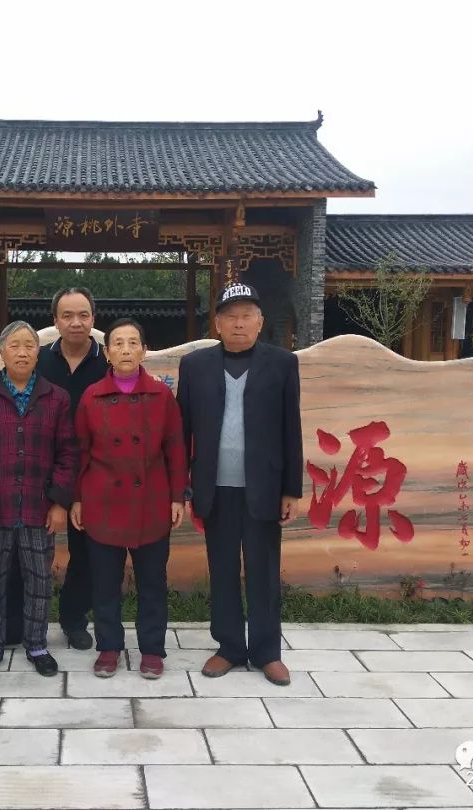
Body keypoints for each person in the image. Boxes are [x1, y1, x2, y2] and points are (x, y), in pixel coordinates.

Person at [0, 287, 107, 654]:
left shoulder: (108, 361)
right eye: (67, 315)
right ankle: (9, 629)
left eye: (83, 315)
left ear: (93, 318)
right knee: (13, 559)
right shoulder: (40, 360)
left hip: (91, 471)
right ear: (55, 320)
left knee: (84, 553)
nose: (75, 322)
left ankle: (74, 621)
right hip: (34, 481)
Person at [176, 282, 303, 686]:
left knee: (265, 570)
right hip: (215, 488)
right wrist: (182, 487)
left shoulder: (282, 364)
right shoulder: (194, 366)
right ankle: (230, 646)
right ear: (216, 323)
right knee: (224, 569)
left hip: (263, 488)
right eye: (230, 316)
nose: (238, 323)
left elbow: (291, 430)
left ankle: (267, 651)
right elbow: (181, 433)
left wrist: (291, 489)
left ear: (260, 322)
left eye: (247, 315)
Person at [0, 320, 78, 677]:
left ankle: (36, 644)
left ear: (38, 353)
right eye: (15, 346)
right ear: (2, 352)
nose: (22, 352)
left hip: (40, 511)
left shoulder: (56, 399)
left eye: (29, 346)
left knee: (39, 581)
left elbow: (68, 455)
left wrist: (58, 503)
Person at [71, 318, 186, 680]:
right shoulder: (92, 396)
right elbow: (79, 452)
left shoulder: (161, 396)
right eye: (117, 343)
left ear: (144, 350)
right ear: (106, 353)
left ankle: (152, 649)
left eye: (132, 342)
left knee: (153, 581)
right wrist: (76, 498)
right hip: (102, 502)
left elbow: (176, 449)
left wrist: (178, 496)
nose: (125, 349)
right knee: (104, 583)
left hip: (152, 502)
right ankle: (109, 646)